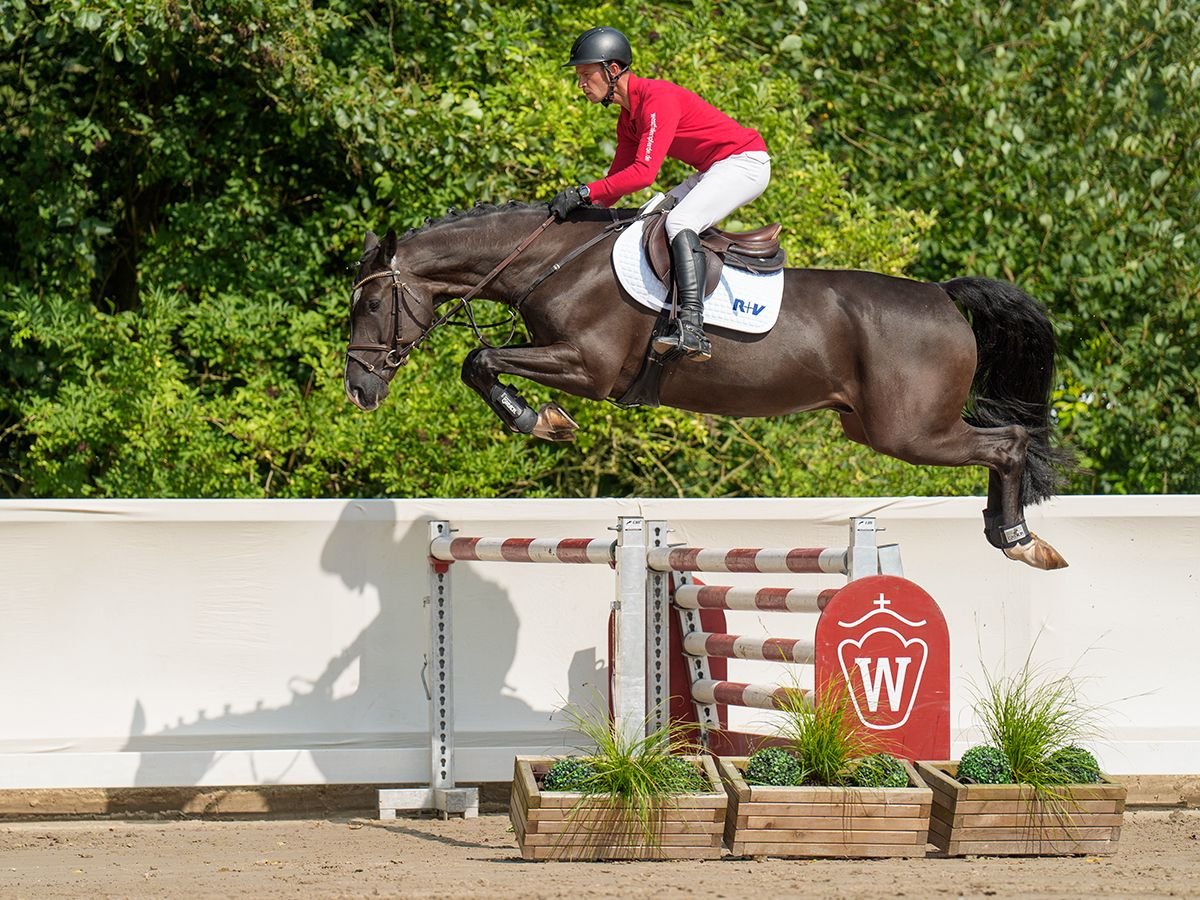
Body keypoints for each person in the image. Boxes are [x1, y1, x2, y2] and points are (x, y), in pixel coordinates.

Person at [549, 26, 771, 362]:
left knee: (679, 221)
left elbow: (643, 174)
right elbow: (615, 185)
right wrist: (572, 212)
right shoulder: (628, 119)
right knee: (650, 216)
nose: (580, 84)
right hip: (713, 169)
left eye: (585, 74)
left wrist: (583, 191)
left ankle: (692, 327)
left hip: (745, 163)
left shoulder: (657, 99)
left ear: (612, 70)